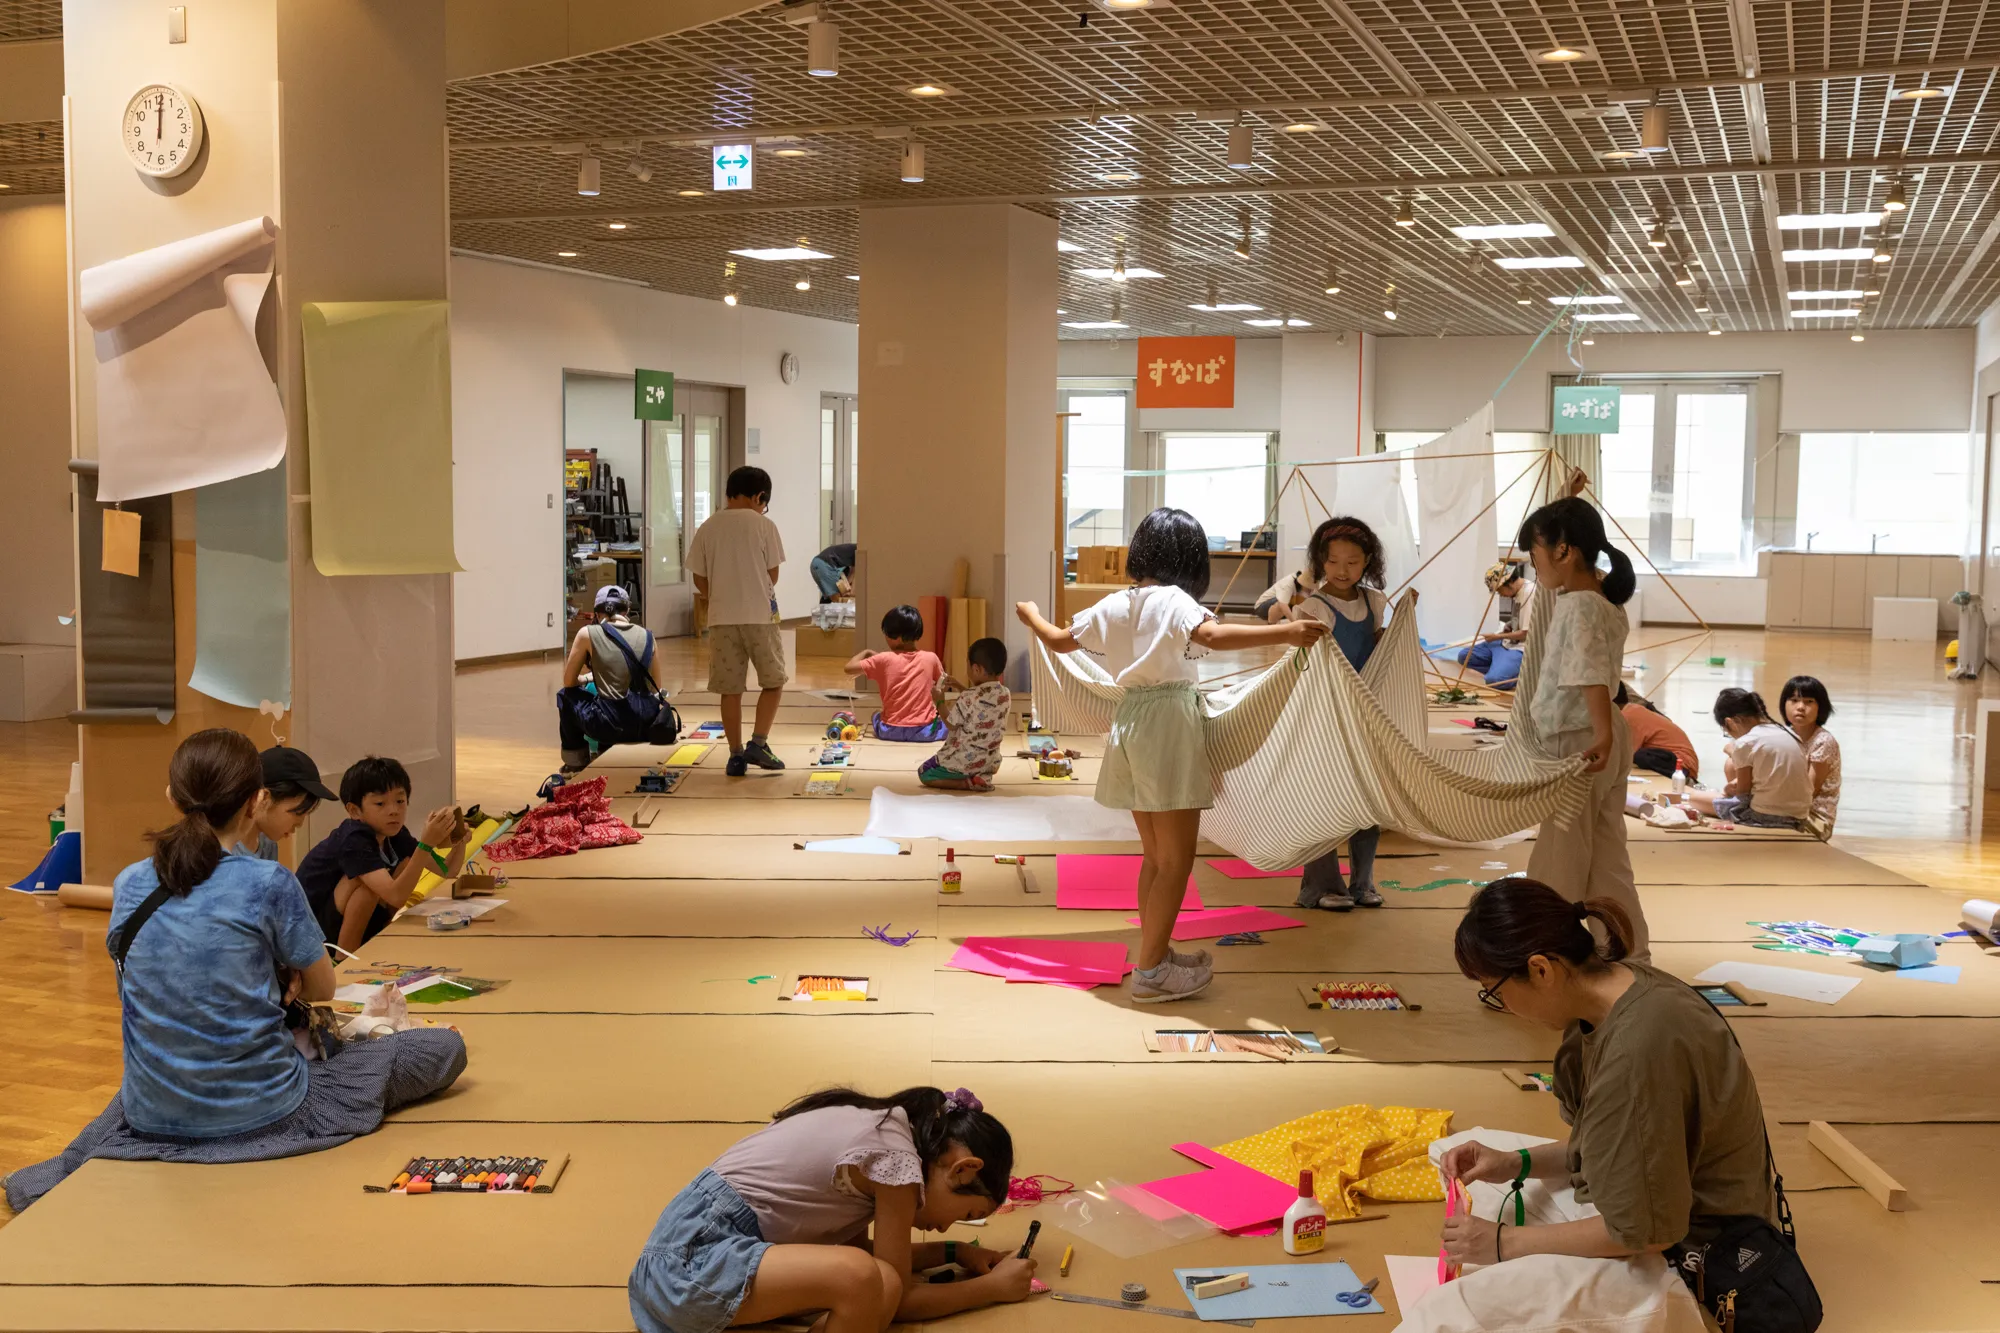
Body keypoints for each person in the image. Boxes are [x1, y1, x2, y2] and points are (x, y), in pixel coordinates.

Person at [2, 730, 465, 1212]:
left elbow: (135, 994)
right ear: (256, 801)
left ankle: (61, 1172)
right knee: (440, 1047)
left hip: (156, 1110)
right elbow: (323, 987)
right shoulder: (268, 881)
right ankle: (235, 1138)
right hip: (268, 1108)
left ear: (172, 796)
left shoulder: (129, 882)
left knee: (143, 1086)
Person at [1016, 507, 1325, 1003]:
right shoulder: (1174, 600)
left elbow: (1056, 640)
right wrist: (1284, 634)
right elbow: (1213, 637)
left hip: (1131, 722)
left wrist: (1031, 613)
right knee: (1176, 861)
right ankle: (1151, 972)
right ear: (1190, 560)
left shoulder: (1115, 603)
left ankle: (1155, 954)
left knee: (1156, 858)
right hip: (1168, 727)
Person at [1438, 878, 1787, 1313]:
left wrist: (1503, 1243)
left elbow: (1645, 1231)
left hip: (1694, 1250)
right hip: (1653, 1204)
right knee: (1452, 1153)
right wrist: (1514, 1162)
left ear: (1541, 970)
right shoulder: (1625, 987)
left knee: (1457, 1310)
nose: (1504, 1007)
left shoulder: (1634, 1051)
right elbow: (1609, 1144)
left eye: (1496, 992)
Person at [628, 1085, 1035, 1333]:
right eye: (964, 1215)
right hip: (690, 1267)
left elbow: (874, 1260)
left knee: (875, 1277)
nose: (946, 1227)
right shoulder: (897, 1163)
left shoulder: (884, 1127)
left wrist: (955, 1253)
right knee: (864, 1277)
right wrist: (991, 1290)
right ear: (963, 1170)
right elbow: (898, 1295)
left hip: (690, 1263)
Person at [1515, 497, 1650, 962]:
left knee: (1560, 857)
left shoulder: (1579, 606)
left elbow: (1590, 675)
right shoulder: (1602, 598)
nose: (1534, 566)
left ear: (1564, 550)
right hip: (1601, 734)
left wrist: (1600, 737)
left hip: (1582, 740)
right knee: (1608, 857)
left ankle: (1547, 957)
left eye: (1535, 554)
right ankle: (1629, 957)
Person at [1290, 517, 1392, 912]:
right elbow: (1304, 663)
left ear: (1368, 561)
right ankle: (1321, 885)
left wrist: (1398, 631)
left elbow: (1380, 653)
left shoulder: (1374, 602)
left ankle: (1363, 881)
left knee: (1367, 797)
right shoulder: (1314, 607)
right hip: (1325, 715)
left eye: (1352, 561)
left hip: (1365, 715)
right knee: (1324, 796)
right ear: (1320, 562)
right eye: (1333, 562)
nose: (1343, 570)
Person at [296, 756, 471, 953]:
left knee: (406, 863)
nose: (394, 811)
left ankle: (384, 935)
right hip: (314, 933)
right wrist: (426, 844)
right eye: (380, 803)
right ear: (354, 811)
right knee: (367, 886)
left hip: (349, 918)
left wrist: (459, 841)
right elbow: (395, 897)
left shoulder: (396, 834)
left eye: (400, 801)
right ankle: (343, 958)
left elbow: (447, 870)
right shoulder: (353, 839)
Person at [688, 466, 789, 778]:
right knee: (773, 681)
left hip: (721, 620)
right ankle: (758, 743)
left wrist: (719, 596)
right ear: (760, 496)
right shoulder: (764, 525)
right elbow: (773, 574)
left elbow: (699, 579)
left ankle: (735, 755)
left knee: (730, 689)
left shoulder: (707, 527)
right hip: (760, 617)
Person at [557, 585, 661, 772]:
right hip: (645, 724)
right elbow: (656, 689)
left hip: (609, 726)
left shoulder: (587, 633)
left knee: (565, 696)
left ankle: (575, 764)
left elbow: (569, 682)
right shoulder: (649, 636)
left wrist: (586, 678)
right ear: (627, 610)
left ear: (597, 614)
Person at [1684, 689, 1811, 831]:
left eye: (1726, 731)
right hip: (1800, 817)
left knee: (1694, 799)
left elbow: (1742, 797)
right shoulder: (1790, 734)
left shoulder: (1745, 742)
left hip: (1763, 816)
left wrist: (1726, 792)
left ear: (1730, 722)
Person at [919, 637, 1011, 791]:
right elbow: (980, 701)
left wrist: (939, 701)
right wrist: (959, 686)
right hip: (989, 762)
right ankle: (981, 777)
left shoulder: (968, 697)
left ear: (976, 669)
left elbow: (951, 724)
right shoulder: (1005, 694)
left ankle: (965, 783)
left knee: (925, 772)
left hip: (963, 762)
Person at [847, 605, 947, 742]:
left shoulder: (883, 659)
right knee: (948, 722)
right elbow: (942, 685)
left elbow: (848, 668)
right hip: (925, 731)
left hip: (889, 731)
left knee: (876, 715)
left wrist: (866, 652)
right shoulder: (931, 658)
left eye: (886, 634)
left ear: (897, 638)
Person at [239, 745, 338, 861]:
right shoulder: (224, 851)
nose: (299, 823)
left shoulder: (268, 845)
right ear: (264, 798)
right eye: (298, 812)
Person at [1779, 675, 1842, 840]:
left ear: (1821, 707)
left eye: (1809, 702)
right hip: (1785, 807)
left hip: (1814, 818)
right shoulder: (1782, 736)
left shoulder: (1823, 741)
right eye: (1794, 700)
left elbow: (1808, 792)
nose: (1800, 707)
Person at [1455, 561, 1532, 689]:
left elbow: (1526, 633)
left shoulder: (1530, 593)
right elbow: (1522, 620)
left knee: (1495, 680)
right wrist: (1509, 625)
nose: (1500, 595)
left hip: (1519, 648)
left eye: (1499, 590)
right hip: (1506, 643)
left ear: (1508, 583)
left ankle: (1505, 672)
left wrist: (1497, 637)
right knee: (1464, 656)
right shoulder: (1517, 592)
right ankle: (1501, 667)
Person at [1616, 682, 1698, 782]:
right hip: (1676, 760)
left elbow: (1624, 755)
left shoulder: (1628, 716)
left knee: (1639, 756)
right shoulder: (1632, 710)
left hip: (1681, 764)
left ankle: (1686, 781)